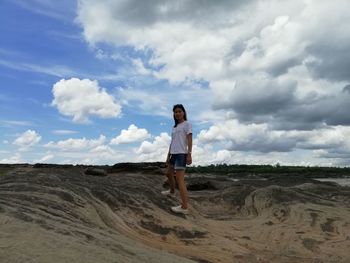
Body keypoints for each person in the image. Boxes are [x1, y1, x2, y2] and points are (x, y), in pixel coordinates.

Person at [161, 104, 192, 215]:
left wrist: (189, 154)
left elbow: (189, 139)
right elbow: (172, 142)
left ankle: (184, 207)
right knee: (168, 174)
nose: (177, 113)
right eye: (175, 112)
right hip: (173, 154)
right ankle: (172, 191)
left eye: (179, 111)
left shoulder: (187, 124)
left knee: (180, 180)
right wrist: (168, 156)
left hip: (181, 154)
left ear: (183, 112)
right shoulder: (174, 127)